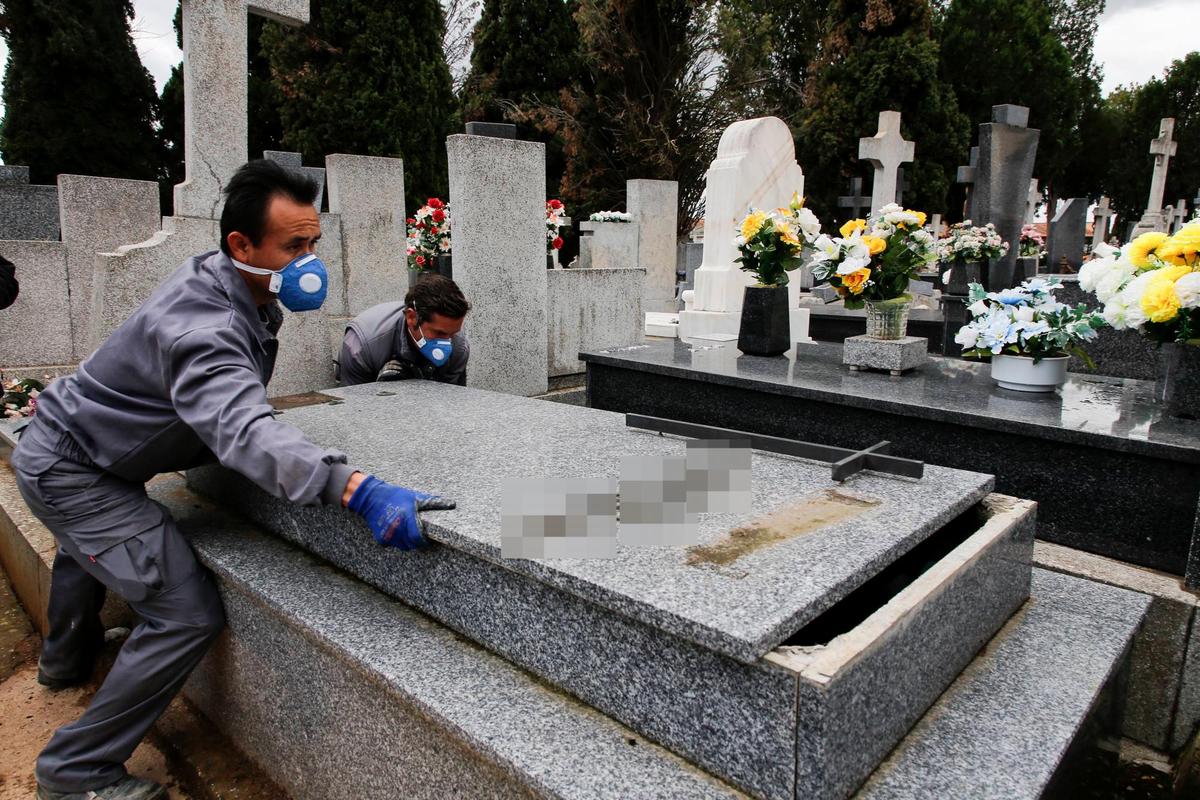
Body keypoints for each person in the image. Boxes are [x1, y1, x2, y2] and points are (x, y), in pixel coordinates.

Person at [11, 159, 454, 800]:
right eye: (293, 247)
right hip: (73, 470)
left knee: (91, 543)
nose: (310, 262)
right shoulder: (207, 328)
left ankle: (63, 661)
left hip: (81, 449)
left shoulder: (227, 282)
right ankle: (74, 770)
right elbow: (243, 431)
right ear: (241, 246)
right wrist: (358, 489)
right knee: (184, 610)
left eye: (313, 245)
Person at [337, 274, 470, 386]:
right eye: (440, 333)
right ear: (412, 318)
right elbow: (355, 407)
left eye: (452, 334)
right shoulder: (361, 346)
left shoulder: (458, 346)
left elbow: (450, 403)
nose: (447, 342)